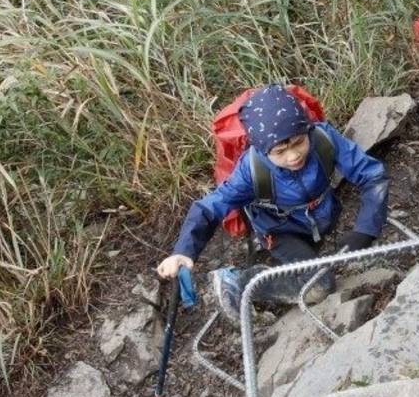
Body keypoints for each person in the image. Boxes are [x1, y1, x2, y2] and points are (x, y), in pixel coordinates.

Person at [156, 84, 389, 322]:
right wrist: (183, 251)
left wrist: (365, 229)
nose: (293, 156)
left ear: (307, 130)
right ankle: (239, 281)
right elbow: (211, 206)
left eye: (298, 142)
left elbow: (372, 175)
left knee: (314, 261)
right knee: (321, 283)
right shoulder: (251, 170)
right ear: (263, 150)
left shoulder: (323, 138)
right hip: (279, 231)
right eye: (280, 151)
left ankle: (289, 265)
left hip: (321, 217)